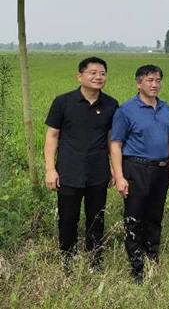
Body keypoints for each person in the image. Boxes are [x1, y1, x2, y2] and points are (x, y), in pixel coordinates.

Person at [44, 57, 118, 272]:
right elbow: (52, 136)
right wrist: (50, 169)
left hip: (98, 171)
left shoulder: (111, 104)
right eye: (93, 73)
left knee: (96, 218)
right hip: (69, 171)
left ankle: (95, 260)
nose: (98, 77)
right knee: (68, 218)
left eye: (102, 73)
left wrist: (114, 169)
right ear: (80, 76)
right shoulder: (63, 102)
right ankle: (67, 260)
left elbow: (111, 140)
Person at [110, 65, 169, 284]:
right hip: (136, 168)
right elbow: (116, 145)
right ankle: (136, 265)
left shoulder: (165, 108)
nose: (154, 85)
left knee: (155, 216)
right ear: (139, 83)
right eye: (149, 80)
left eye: (157, 80)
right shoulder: (126, 110)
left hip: (161, 169)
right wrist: (119, 177)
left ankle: (152, 255)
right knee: (135, 217)